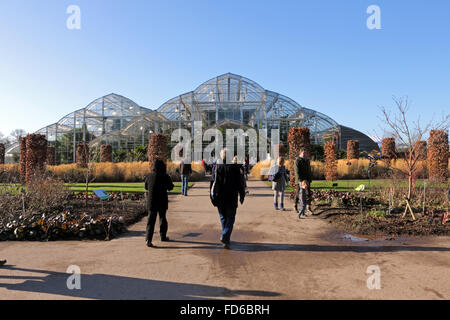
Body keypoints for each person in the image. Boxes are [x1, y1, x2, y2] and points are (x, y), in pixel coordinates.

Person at [211, 149, 246, 249]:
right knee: (230, 218)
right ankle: (225, 235)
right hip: (231, 197)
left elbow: (212, 183)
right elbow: (240, 183)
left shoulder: (217, 167)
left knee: (223, 218)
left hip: (220, 197)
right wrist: (242, 195)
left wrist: (212, 197)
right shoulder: (235, 167)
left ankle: (226, 238)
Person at [144, 159, 174, 247]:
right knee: (162, 218)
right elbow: (170, 187)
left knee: (151, 221)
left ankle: (148, 239)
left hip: (152, 201)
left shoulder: (149, 176)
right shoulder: (165, 176)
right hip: (162, 200)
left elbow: (146, 187)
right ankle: (163, 236)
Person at [294, 147, 314, 215]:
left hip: (307, 180)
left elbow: (309, 170)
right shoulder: (297, 160)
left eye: (305, 153)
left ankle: (308, 208)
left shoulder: (307, 160)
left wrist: (310, 178)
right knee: (298, 193)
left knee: (308, 194)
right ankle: (295, 205)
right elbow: (296, 171)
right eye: (303, 152)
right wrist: (300, 181)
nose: (304, 154)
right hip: (300, 180)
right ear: (300, 152)